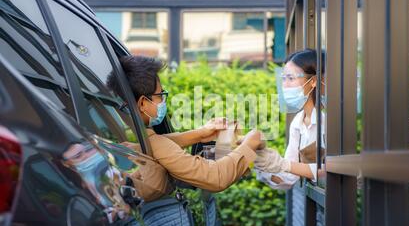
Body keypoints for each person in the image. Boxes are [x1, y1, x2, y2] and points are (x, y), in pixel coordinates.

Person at [106, 55, 264, 201]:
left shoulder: (121, 132)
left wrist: (201, 134)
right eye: (160, 95)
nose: (162, 101)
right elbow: (215, 177)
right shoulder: (148, 140)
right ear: (142, 103)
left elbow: (156, 144)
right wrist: (251, 142)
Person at [254, 49, 326, 189]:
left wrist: (283, 164)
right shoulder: (297, 123)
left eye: (291, 78)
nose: (284, 85)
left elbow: (331, 172)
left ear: (313, 82)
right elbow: (288, 178)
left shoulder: (328, 120)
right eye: (283, 78)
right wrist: (261, 163)